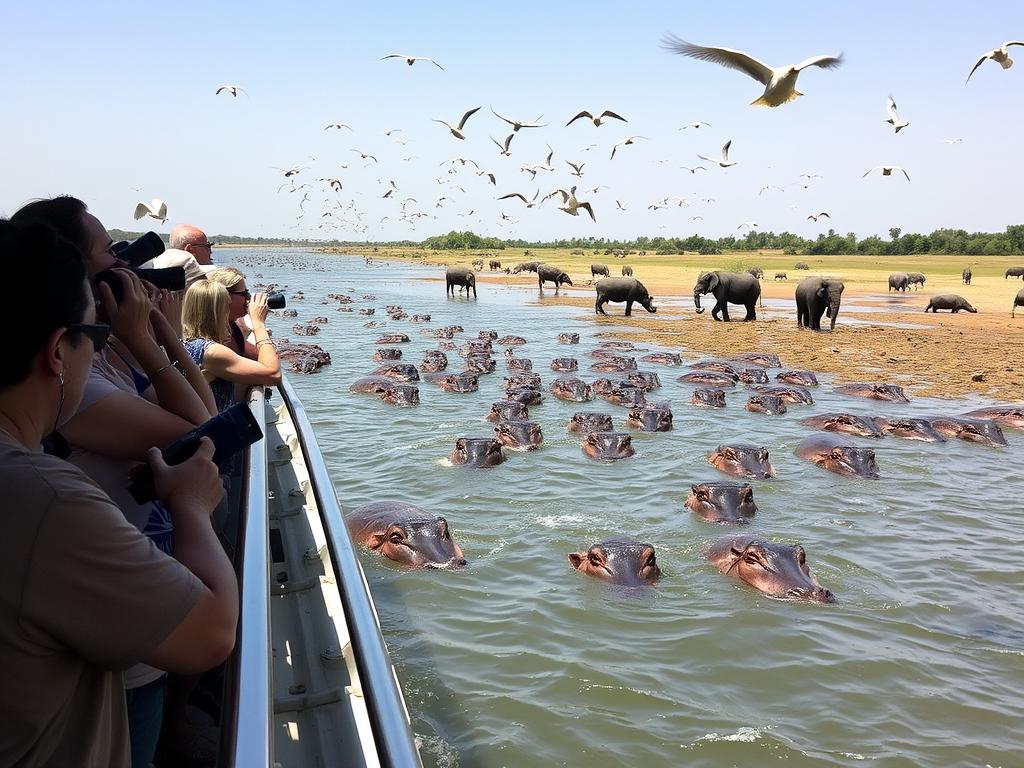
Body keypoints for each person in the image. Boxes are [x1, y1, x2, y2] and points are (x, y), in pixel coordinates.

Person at [0, 219, 238, 767]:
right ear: (60, 351)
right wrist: (192, 508)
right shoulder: (43, 498)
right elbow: (211, 634)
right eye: (96, 336)